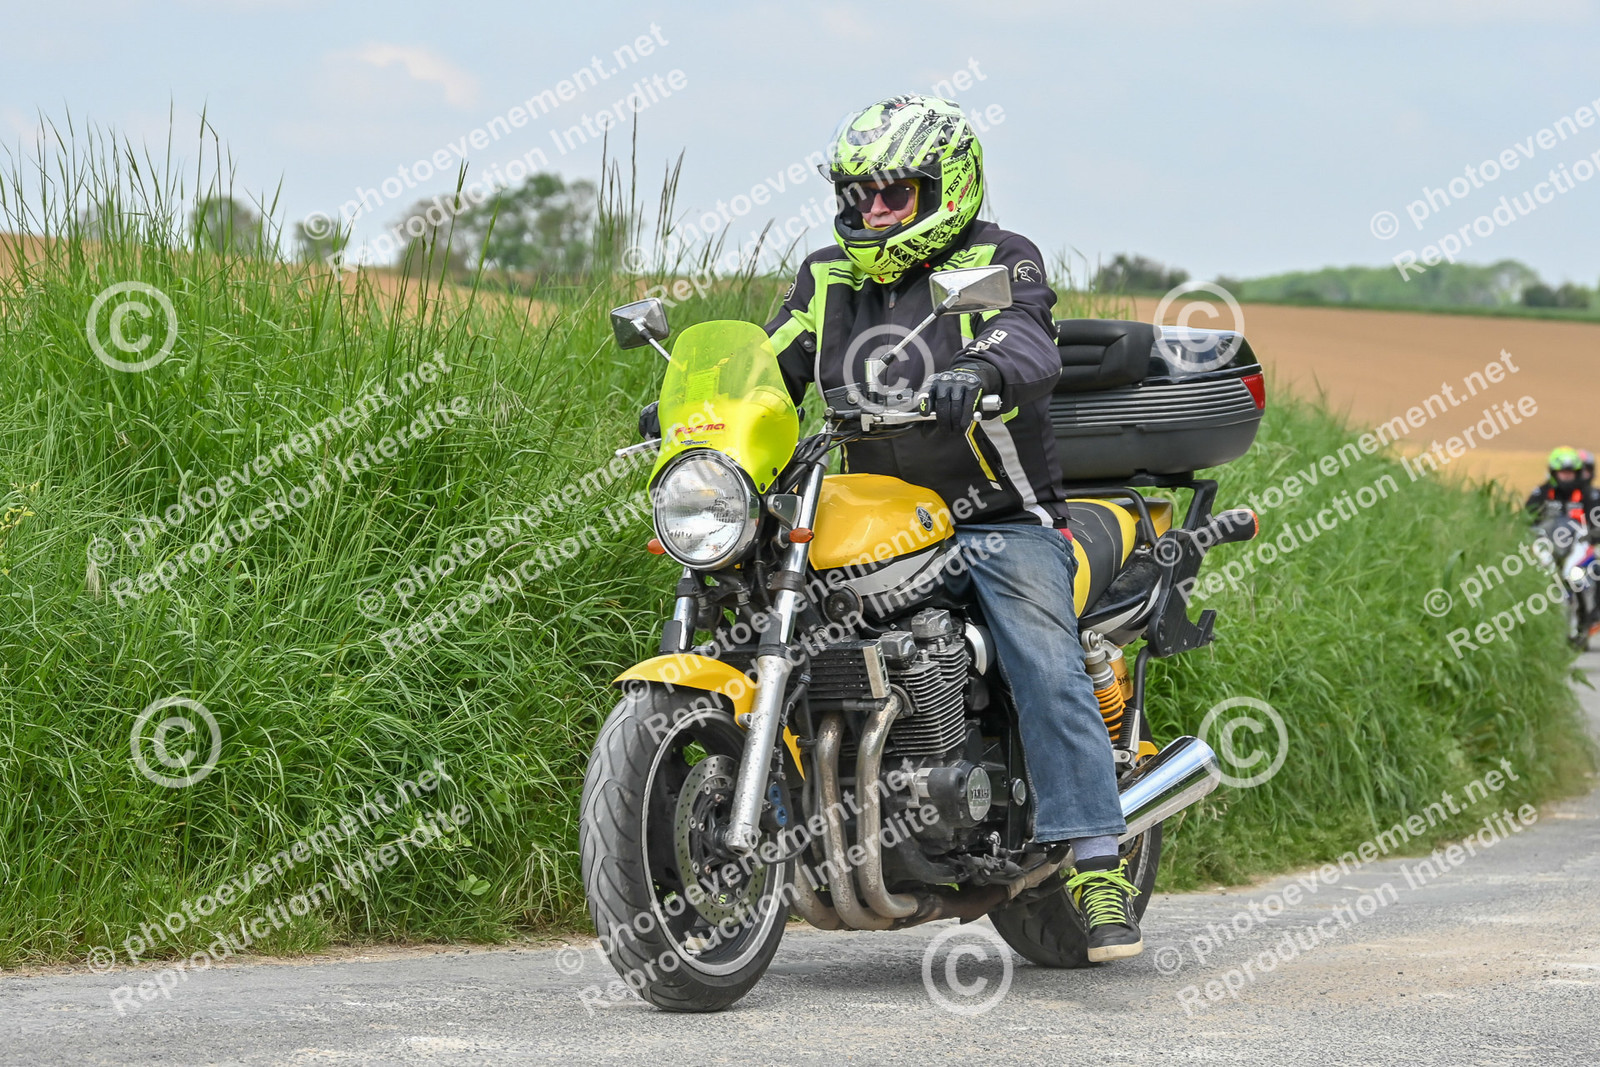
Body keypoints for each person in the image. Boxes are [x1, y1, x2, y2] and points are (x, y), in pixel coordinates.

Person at [762, 94, 1139, 960]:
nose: (873, 210)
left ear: (947, 188)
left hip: (1001, 520)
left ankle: (1095, 860)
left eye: (893, 192)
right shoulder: (829, 277)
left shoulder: (989, 261)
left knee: (1042, 655)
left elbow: (1022, 336)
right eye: (859, 194)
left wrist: (979, 370)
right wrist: (712, 406)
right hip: (876, 523)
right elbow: (773, 357)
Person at [1526, 446, 1600, 532]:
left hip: (1580, 539)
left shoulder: (1589, 494)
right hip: (1545, 538)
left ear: (1577, 473)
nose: (1567, 476)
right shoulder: (1542, 492)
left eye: (1570, 472)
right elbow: (1526, 520)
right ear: (1553, 473)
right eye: (1563, 472)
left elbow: (1597, 525)